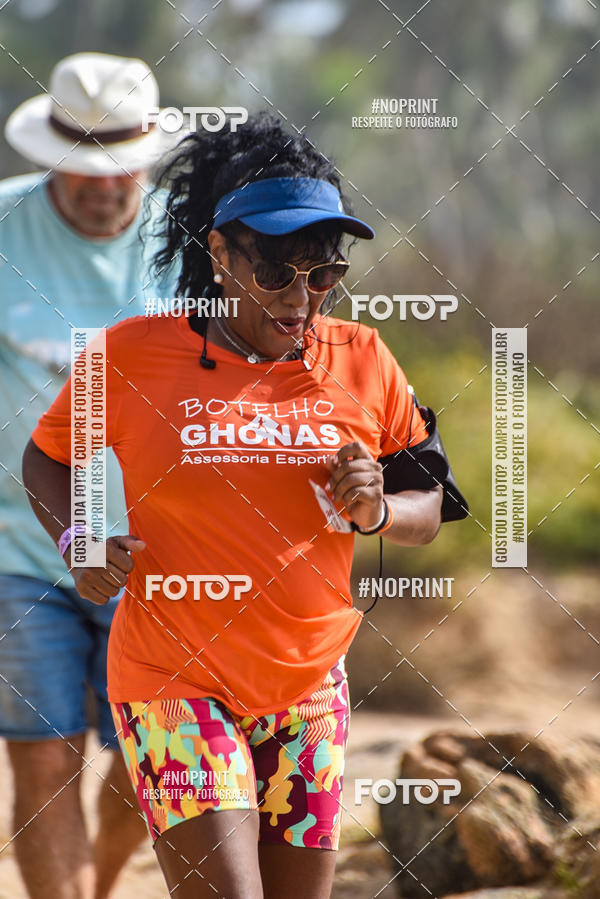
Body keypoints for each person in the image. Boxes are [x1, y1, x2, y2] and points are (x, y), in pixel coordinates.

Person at [22, 113, 468, 899]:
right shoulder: (130, 354)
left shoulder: (362, 358)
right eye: (276, 273)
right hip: (172, 676)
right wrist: (79, 539)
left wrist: (378, 512)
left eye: (322, 273)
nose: (301, 298)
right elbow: (47, 455)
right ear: (219, 252)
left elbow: (428, 503)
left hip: (309, 684)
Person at [0, 52, 177, 898]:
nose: (102, 188)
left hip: (159, 556)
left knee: (152, 777)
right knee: (42, 772)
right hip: (19, 553)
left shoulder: (200, 245)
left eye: (120, 168)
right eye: (81, 170)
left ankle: (103, 884)